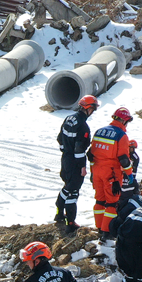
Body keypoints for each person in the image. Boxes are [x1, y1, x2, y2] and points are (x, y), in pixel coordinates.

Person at [89, 107, 133, 239]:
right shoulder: (121, 135)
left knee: (99, 200)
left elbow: (90, 154)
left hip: (97, 170)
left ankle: (99, 227)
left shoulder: (99, 131)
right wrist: (129, 174)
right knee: (112, 203)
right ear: (124, 121)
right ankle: (107, 232)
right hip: (111, 174)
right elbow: (124, 159)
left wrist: (92, 172)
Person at [55, 95, 97, 231]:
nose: (93, 112)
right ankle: (70, 222)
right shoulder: (83, 126)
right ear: (88, 108)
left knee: (67, 187)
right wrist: (82, 166)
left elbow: (60, 138)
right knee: (73, 192)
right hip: (74, 162)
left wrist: (65, 151)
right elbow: (79, 150)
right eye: (93, 109)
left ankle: (59, 213)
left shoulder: (69, 119)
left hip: (65, 159)